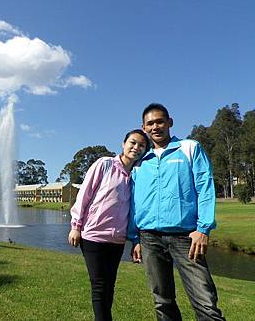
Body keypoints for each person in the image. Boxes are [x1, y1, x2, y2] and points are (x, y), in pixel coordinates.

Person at [128, 103, 225, 321]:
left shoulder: (190, 148)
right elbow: (134, 201)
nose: (156, 127)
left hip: (186, 237)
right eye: (150, 123)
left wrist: (203, 228)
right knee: (162, 302)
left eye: (160, 121)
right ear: (144, 128)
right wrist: (134, 238)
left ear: (169, 122)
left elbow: (205, 188)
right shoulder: (140, 160)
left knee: (205, 303)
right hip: (149, 238)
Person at [68, 129, 149, 321]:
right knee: (98, 284)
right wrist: (75, 226)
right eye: (132, 142)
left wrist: (135, 239)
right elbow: (84, 195)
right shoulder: (105, 164)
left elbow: (135, 210)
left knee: (109, 284)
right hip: (93, 236)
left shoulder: (138, 175)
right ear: (123, 144)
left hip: (118, 240)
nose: (136, 148)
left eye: (141, 145)